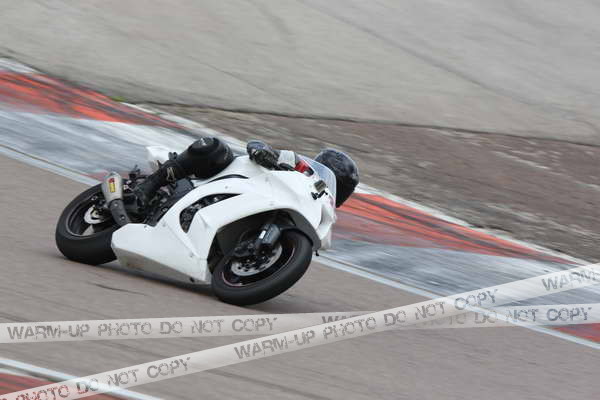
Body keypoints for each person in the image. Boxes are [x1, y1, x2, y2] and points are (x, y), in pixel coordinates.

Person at [134, 136, 359, 208]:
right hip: (232, 180)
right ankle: (149, 185)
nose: (338, 192)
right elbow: (257, 145)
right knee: (215, 147)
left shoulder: (322, 210)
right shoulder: (299, 165)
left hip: (256, 206)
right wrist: (263, 152)